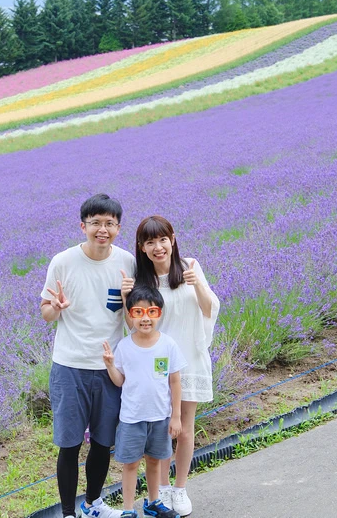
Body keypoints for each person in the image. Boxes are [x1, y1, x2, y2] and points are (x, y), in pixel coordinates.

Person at [40, 193, 136, 518]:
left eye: (109, 223)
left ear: (119, 227)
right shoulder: (63, 262)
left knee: (102, 442)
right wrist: (55, 307)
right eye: (95, 223)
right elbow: (45, 313)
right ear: (83, 226)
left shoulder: (127, 263)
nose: (102, 229)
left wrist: (127, 300)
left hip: (109, 367)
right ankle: (68, 513)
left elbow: (137, 318)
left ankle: (92, 504)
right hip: (70, 366)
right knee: (68, 444)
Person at [133, 215, 220, 517]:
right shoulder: (142, 281)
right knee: (157, 430)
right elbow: (136, 324)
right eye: (150, 242)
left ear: (173, 239)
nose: (158, 247)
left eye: (163, 239)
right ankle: (163, 489)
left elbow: (209, 309)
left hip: (189, 358)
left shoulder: (191, 267)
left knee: (184, 428)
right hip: (157, 365)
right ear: (142, 248)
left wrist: (197, 286)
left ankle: (180, 488)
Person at [103, 285, 185, 518]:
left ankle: (153, 502)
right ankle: (129, 509)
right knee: (130, 464)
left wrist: (176, 416)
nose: (145, 318)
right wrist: (110, 365)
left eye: (152, 312)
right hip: (132, 418)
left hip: (160, 416)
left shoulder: (168, 344)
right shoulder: (125, 347)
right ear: (130, 315)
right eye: (138, 312)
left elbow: (175, 382)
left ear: (160, 314)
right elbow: (119, 381)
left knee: (154, 461)